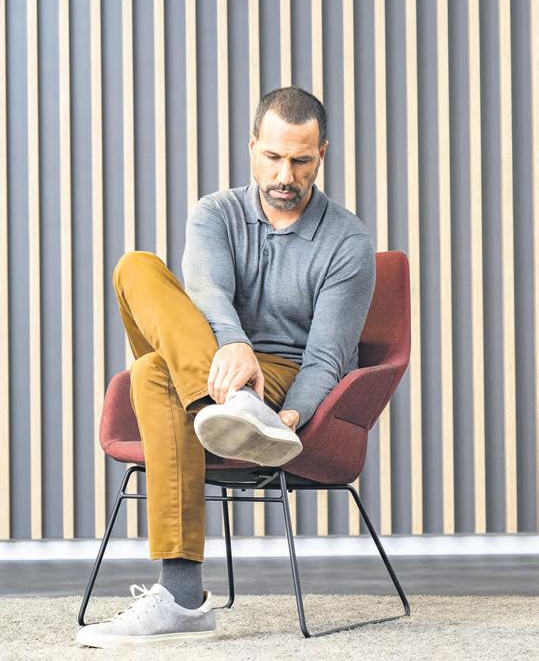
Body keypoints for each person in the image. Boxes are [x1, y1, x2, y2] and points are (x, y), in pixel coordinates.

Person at [75, 86, 376, 648]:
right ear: (252, 146)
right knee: (135, 266)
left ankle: (182, 597)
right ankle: (234, 403)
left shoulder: (348, 241)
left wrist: (290, 415)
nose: (285, 175)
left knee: (153, 374)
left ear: (322, 154)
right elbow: (207, 293)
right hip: (210, 359)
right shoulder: (215, 212)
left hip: (280, 376)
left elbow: (327, 357)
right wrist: (233, 351)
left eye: (301, 161)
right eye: (273, 156)